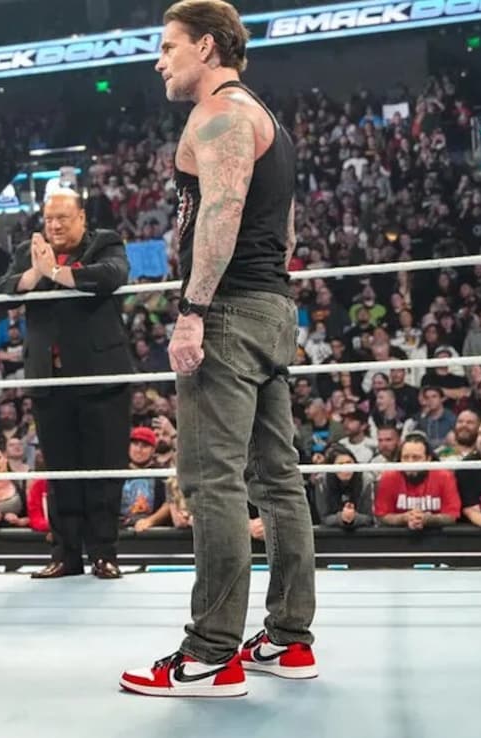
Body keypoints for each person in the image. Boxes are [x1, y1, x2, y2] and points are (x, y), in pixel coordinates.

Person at [120, 0, 315, 699]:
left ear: (205, 47)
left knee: (213, 481)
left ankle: (210, 653)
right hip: (270, 307)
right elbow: (286, 232)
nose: (159, 62)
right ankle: (289, 638)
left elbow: (223, 213)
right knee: (278, 479)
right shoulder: (267, 120)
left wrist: (193, 311)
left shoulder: (221, 115)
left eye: (168, 47)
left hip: (229, 311)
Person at [0, 189, 133, 580]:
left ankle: (104, 554)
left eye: (63, 218)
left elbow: (111, 275)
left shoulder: (104, 242)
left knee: (104, 468)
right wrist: (36, 273)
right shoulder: (30, 251)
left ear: (82, 218)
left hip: (100, 376)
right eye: (49, 219)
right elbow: (3, 290)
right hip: (49, 378)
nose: (54, 226)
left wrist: (56, 273)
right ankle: (66, 554)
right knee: (60, 470)